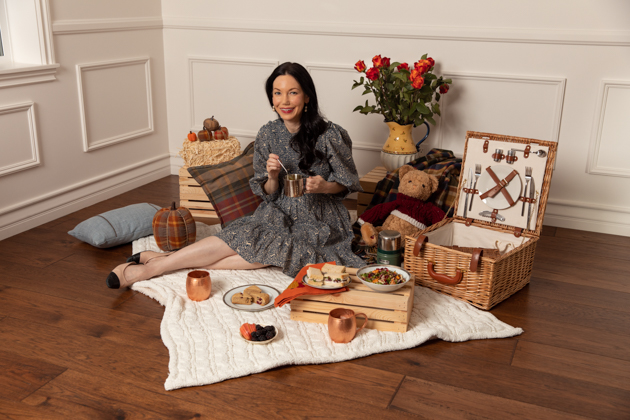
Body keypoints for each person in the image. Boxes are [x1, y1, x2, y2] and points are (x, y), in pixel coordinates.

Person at [106, 62, 366, 289]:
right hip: (280, 211)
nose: (284, 101)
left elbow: (347, 183)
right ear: (271, 98)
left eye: (293, 93)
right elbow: (265, 190)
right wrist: (272, 176)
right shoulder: (267, 133)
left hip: (319, 217)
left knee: (277, 250)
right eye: (278, 93)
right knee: (242, 236)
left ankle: (160, 262)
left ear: (307, 97)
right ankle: (152, 269)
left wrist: (323, 187)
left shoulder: (331, 134)